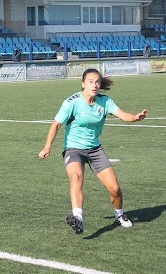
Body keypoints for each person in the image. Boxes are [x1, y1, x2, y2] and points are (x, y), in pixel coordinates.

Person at [38, 68, 148, 234]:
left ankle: (119, 215)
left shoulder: (104, 101)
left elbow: (123, 115)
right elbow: (56, 125)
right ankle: (78, 217)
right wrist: (47, 147)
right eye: (90, 81)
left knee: (115, 189)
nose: (94, 85)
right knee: (76, 177)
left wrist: (136, 117)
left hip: (95, 149)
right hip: (73, 148)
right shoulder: (72, 102)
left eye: (97, 82)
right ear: (83, 84)